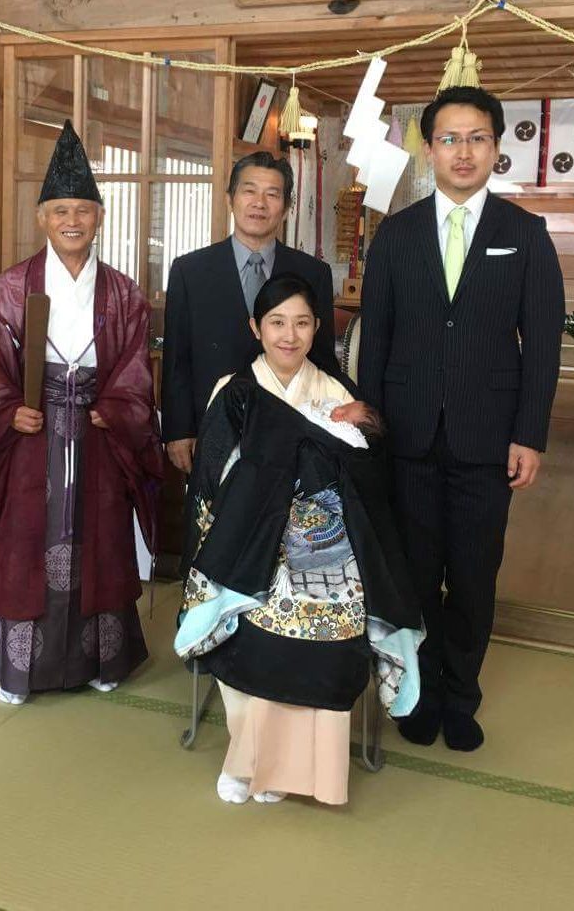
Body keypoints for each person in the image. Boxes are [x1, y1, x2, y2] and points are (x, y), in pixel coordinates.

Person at [358, 86, 565, 751]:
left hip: (487, 438)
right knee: (415, 576)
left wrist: (528, 434)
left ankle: (460, 697)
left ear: (496, 147)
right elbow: (375, 340)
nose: (463, 151)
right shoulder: (395, 235)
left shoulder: (524, 235)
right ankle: (417, 693)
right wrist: (369, 432)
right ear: (429, 149)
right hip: (407, 436)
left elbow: (542, 344)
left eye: (477, 137)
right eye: (449, 138)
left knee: (474, 578)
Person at [175, 274, 422, 806]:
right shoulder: (234, 391)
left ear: (317, 330)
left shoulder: (336, 392)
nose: (289, 335)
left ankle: (298, 769)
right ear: (256, 328)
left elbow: (366, 480)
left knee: (334, 616)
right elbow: (212, 481)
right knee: (254, 614)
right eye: (277, 322)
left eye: (302, 323)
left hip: (327, 543)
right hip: (249, 538)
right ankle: (246, 760)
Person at [0, 121, 163, 705]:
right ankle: (20, 668)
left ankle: (102, 658)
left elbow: (135, 372)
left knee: (102, 539)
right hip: (30, 437)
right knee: (24, 541)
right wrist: (7, 412)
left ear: (99, 218)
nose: (73, 220)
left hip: (97, 435)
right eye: (61, 210)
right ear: (42, 218)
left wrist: (116, 407)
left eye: (83, 210)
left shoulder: (123, 294)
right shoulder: (9, 290)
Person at [162, 151, 346, 476]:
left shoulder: (313, 272)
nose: (259, 203)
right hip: (213, 425)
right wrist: (178, 430)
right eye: (249, 191)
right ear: (230, 198)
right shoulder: (190, 270)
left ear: (286, 208)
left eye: (272, 194)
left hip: (292, 431)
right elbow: (177, 358)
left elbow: (322, 358)